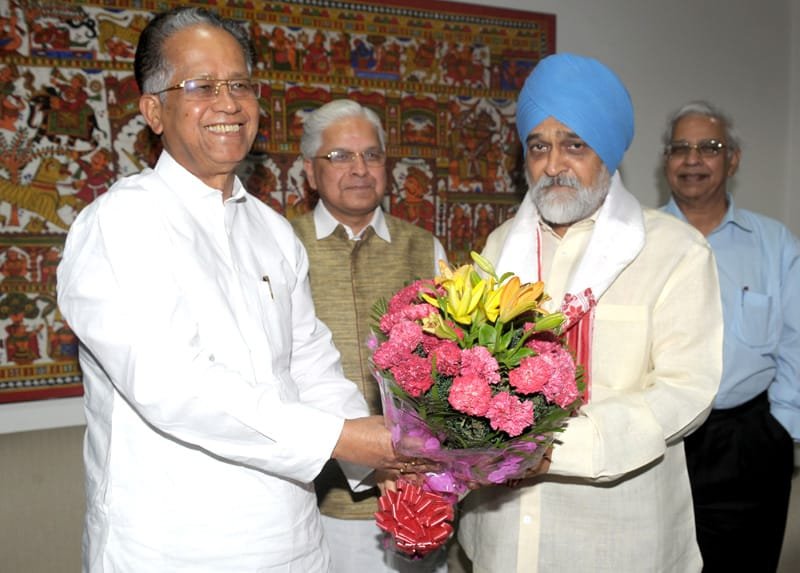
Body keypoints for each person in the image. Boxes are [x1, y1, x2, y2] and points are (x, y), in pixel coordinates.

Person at [56, 7, 403, 571]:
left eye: (240, 83)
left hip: (293, 540)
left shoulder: (270, 230)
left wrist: (378, 461)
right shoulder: (119, 224)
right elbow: (174, 384)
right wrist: (340, 437)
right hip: (171, 547)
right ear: (153, 111)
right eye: (200, 85)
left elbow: (310, 362)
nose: (228, 102)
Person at [456, 53, 723, 573]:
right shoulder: (497, 248)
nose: (554, 165)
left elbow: (685, 391)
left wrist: (556, 449)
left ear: (608, 150)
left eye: (574, 144)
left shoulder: (674, 252)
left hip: (618, 539)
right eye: (539, 146)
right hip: (498, 538)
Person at [291, 98, 448, 572]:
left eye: (372, 155)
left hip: (417, 497)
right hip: (313, 499)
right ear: (310, 172)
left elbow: (458, 369)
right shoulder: (280, 245)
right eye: (340, 156)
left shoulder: (425, 248)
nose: (359, 169)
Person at [661, 100, 799, 573]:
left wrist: (779, 426)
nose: (693, 159)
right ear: (666, 162)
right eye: (681, 147)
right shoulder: (640, 240)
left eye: (709, 147)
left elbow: (797, 339)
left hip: (749, 440)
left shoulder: (774, 243)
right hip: (661, 441)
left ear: (733, 159)